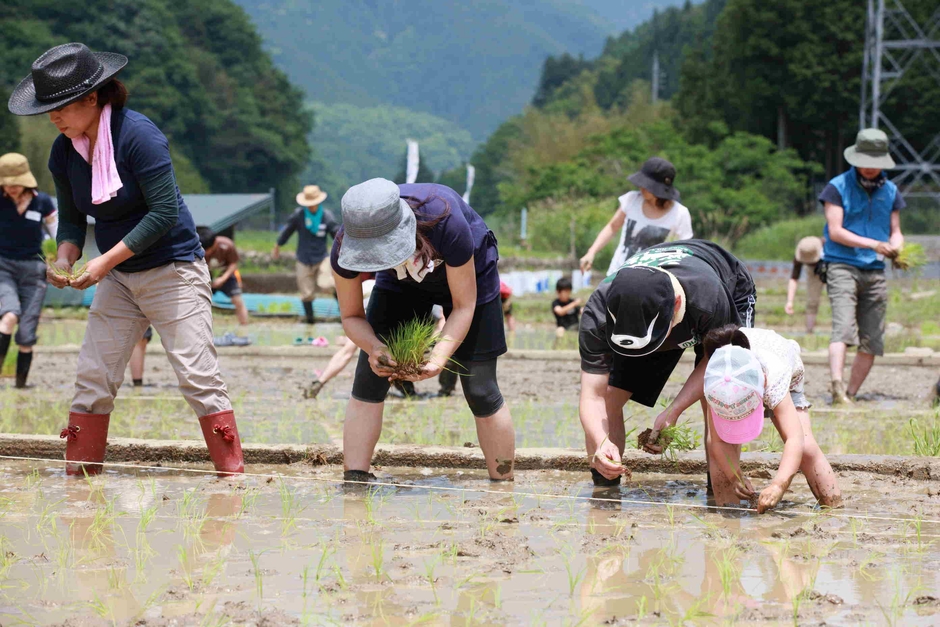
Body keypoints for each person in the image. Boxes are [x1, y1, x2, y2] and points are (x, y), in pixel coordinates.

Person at [10, 43, 243, 475]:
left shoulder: (138, 135)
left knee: (197, 377)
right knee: (93, 378)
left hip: (173, 270)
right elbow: (72, 219)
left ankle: (232, 482)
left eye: (60, 107)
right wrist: (66, 258)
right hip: (119, 277)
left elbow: (164, 212)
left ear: (91, 98)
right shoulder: (64, 151)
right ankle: (79, 481)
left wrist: (103, 263)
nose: (53, 117)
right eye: (48, 110)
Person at [331, 178, 515, 481]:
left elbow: (463, 305)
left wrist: (439, 357)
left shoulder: (444, 220)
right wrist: (375, 348)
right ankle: (355, 479)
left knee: (480, 388)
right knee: (369, 378)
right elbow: (351, 316)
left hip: (470, 275)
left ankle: (503, 484)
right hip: (400, 281)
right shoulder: (344, 247)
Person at [579, 240, 756, 487]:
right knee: (610, 397)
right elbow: (592, 396)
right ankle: (605, 482)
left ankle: (722, 488)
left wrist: (673, 411)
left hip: (722, 290)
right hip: (652, 312)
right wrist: (601, 440)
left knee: (718, 395)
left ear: (676, 305)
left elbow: (717, 362)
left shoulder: (708, 299)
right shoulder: (598, 313)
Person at [701, 325, 843, 512]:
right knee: (719, 455)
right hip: (739, 379)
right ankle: (728, 516)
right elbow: (718, 441)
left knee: (806, 447)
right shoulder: (718, 384)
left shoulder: (774, 379)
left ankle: (833, 509)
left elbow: (795, 438)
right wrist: (735, 476)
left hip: (787, 369)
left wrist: (778, 484)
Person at [820, 129, 904, 405]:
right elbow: (835, 231)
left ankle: (850, 394)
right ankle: (836, 387)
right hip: (842, 265)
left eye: (874, 162)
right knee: (843, 328)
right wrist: (874, 244)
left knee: (873, 338)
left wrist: (897, 246)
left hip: (875, 270)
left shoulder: (890, 191)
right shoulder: (837, 187)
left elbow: (895, 230)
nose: (869, 167)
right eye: (864, 161)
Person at [580, 157, 693, 277]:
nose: (642, 187)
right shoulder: (631, 200)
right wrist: (591, 252)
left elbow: (685, 250)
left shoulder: (680, 213)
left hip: (653, 279)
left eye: (648, 185)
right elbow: (613, 227)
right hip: (618, 274)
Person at [0, 153, 58, 388]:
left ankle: (21, 385)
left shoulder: (42, 202)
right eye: (7, 183)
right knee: (9, 315)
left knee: (27, 332)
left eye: (16, 183)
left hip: (34, 270)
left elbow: (56, 231)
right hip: (3, 266)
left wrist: (58, 258)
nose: (11, 187)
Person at [274, 185, 340, 324]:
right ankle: (310, 321)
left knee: (327, 284)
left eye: (314, 203)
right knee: (306, 293)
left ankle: (344, 314)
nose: (311, 206)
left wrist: (343, 246)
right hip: (303, 258)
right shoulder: (299, 215)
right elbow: (288, 230)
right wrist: (278, 245)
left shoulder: (326, 216)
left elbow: (335, 232)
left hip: (322, 257)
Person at [198, 228, 249, 326]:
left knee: (237, 300)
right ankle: (201, 326)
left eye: (209, 249)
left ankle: (244, 326)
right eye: (205, 250)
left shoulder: (227, 245)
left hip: (226, 275)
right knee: (199, 301)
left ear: (215, 243)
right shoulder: (197, 248)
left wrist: (223, 278)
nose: (207, 252)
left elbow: (233, 263)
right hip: (206, 276)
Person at [784, 236, 825, 333]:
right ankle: (809, 331)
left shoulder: (828, 245)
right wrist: (790, 302)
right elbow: (794, 278)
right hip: (813, 272)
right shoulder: (802, 252)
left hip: (833, 265)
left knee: (837, 299)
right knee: (812, 301)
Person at [552, 277, 581, 345]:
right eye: (565, 291)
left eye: (568, 291)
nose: (567, 293)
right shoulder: (556, 303)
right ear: (558, 292)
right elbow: (560, 312)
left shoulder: (572, 301)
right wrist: (574, 304)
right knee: (560, 330)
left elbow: (582, 311)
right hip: (564, 328)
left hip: (576, 326)